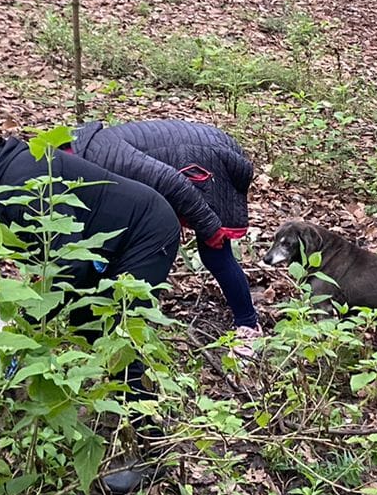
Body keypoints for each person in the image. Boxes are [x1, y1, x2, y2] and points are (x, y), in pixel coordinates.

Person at [0, 124, 181, 494]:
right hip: (97, 242)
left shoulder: (17, 185)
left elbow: (67, 267)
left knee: (120, 332)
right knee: (86, 325)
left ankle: (151, 449)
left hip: (144, 230)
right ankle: (87, 411)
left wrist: (21, 326)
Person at [68, 119, 260, 341]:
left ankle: (249, 325)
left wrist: (209, 226)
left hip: (204, 161)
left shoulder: (105, 159)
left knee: (215, 254)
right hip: (185, 155)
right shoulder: (81, 158)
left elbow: (171, 181)